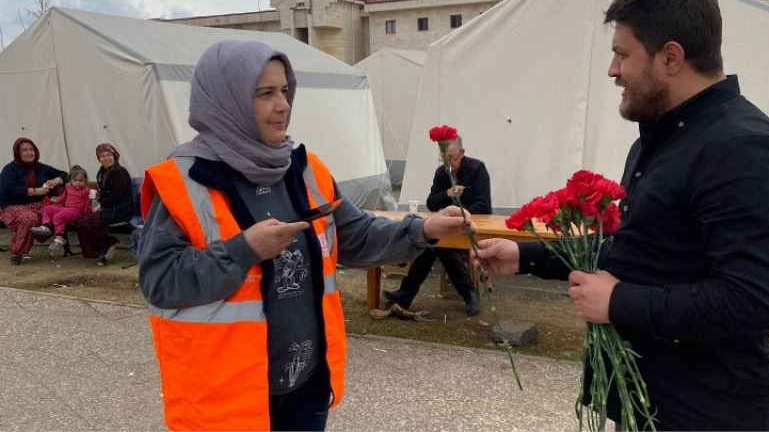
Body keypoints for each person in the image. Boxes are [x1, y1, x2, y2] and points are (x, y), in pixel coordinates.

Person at [475, 0, 769, 431]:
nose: (612, 70)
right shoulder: (661, 139)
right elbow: (637, 250)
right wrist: (522, 256)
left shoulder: (741, 148)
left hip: (707, 413)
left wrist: (621, 302)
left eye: (621, 54)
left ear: (670, 57)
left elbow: (753, 298)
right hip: (649, 403)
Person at [137, 40, 472, 432]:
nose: (282, 105)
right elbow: (160, 282)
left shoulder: (303, 169)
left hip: (306, 388)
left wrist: (423, 228)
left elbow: (355, 235)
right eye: (265, 93)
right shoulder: (183, 181)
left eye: (285, 90)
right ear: (226, 100)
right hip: (225, 400)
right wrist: (243, 250)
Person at [383, 136, 490, 315]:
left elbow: (484, 206)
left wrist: (455, 212)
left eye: (451, 158)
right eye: (444, 158)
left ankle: (407, 293)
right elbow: (432, 203)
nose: (448, 163)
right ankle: (469, 294)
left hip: (471, 226)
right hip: (447, 228)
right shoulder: (442, 173)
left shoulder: (476, 169)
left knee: (436, 245)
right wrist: (447, 194)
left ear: (462, 153)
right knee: (434, 245)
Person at [0, 138, 68, 265]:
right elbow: (7, 189)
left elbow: (64, 174)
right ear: (17, 152)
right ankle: (17, 252)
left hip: (37, 205)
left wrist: (56, 180)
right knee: (29, 218)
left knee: (56, 214)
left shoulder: (41, 167)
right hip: (12, 207)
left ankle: (43, 238)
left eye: (31, 149)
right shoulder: (10, 169)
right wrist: (35, 191)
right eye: (24, 150)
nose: (29, 152)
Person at [74, 143, 133, 266]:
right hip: (108, 207)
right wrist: (97, 201)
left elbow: (117, 194)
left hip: (120, 209)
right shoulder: (102, 173)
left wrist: (101, 205)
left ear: (115, 156)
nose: (106, 158)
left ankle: (108, 244)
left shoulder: (120, 172)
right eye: (102, 156)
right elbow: (104, 193)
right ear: (99, 159)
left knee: (88, 221)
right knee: (80, 221)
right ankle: (104, 246)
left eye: (109, 155)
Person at [31, 165, 93, 251]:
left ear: (85, 180)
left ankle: (60, 239)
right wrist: (54, 202)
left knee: (58, 216)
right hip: (67, 209)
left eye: (81, 180)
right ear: (71, 180)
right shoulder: (68, 188)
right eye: (75, 180)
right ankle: (46, 226)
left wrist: (87, 214)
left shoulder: (86, 191)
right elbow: (63, 197)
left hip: (77, 212)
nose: (78, 182)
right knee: (48, 208)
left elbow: (87, 205)